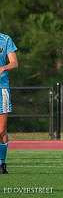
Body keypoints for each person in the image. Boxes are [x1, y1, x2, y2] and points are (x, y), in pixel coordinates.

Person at [0, 33, 18, 175]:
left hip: (2, 89)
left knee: (1, 130)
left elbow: (14, 63)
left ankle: (2, 162)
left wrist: (3, 68)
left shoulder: (5, 39)